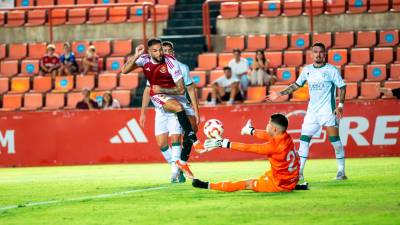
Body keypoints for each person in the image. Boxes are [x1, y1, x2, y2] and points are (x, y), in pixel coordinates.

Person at [122, 38, 203, 180]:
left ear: (172, 52)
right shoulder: (145, 60)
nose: (162, 53)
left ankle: (177, 171)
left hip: (176, 103)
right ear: (149, 52)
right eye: (158, 50)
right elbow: (125, 71)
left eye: (164, 50)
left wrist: (196, 111)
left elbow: (185, 89)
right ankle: (180, 164)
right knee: (162, 143)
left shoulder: (176, 66)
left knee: (177, 136)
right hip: (160, 105)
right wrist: (136, 55)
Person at [267, 42, 348, 181]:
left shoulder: (331, 70)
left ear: (324, 54)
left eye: (320, 52)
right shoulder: (307, 70)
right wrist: (279, 94)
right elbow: (296, 85)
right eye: (315, 52)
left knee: (335, 142)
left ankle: (341, 171)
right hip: (312, 112)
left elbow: (342, 87)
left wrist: (340, 105)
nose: (318, 54)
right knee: (304, 141)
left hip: (328, 111)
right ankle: (300, 172)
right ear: (312, 54)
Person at [193, 114, 306, 192]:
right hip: (289, 177)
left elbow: (249, 147)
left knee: (247, 184)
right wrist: (251, 131)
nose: (267, 126)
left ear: (275, 129)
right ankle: (294, 186)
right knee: (265, 176)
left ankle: (206, 185)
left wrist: (224, 144)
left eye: (269, 124)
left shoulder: (274, 146)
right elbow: (267, 135)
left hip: (279, 184)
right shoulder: (286, 136)